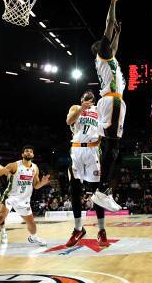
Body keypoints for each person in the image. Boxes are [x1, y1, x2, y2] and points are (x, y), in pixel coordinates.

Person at [0, 145, 50, 256]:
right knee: (0, 218)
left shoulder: (35, 168)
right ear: (22, 154)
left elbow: (36, 185)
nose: (28, 153)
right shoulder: (14, 165)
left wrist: (42, 183)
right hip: (10, 197)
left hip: (24, 200)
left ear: (33, 155)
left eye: (30, 151)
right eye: (26, 151)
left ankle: (33, 237)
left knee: (32, 225)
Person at [89, 0, 125, 212]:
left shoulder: (108, 58)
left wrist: (119, 35)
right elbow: (109, 25)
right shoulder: (102, 53)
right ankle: (102, 190)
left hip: (113, 101)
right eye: (109, 43)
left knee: (114, 148)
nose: (111, 45)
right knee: (113, 147)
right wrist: (113, 2)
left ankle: (103, 190)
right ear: (101, 48)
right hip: (112, 101)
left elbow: (115, 44)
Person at [64, 90, 110, 247]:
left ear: (94, 101)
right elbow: (68, 121)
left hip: (92, 151)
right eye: (85, 99)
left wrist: (102, 138)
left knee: (97, 192)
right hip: (76, 150)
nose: (87, 101)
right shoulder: (75, 108)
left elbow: (107, 127)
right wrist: (81, 109)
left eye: (90, 99)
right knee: (74, 190)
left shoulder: (99, 110)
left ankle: (102, 230)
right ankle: (78, 229)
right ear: (81, 100)